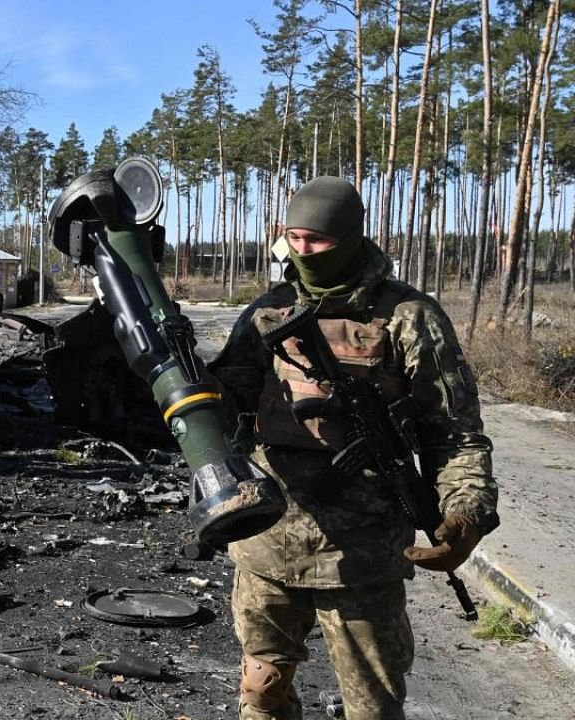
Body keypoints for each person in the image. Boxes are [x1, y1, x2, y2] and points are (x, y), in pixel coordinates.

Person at [207, 176, 498, 720]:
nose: (303, 251)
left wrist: (465, 512)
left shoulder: (409, 316)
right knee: (261, 693)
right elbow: (222, 405)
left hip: (362, 554)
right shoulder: (268, 312)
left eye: (317, 240)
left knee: (373, 706)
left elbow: (454, 432)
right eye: (293, 237)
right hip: (267, 540)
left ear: (350, 237)